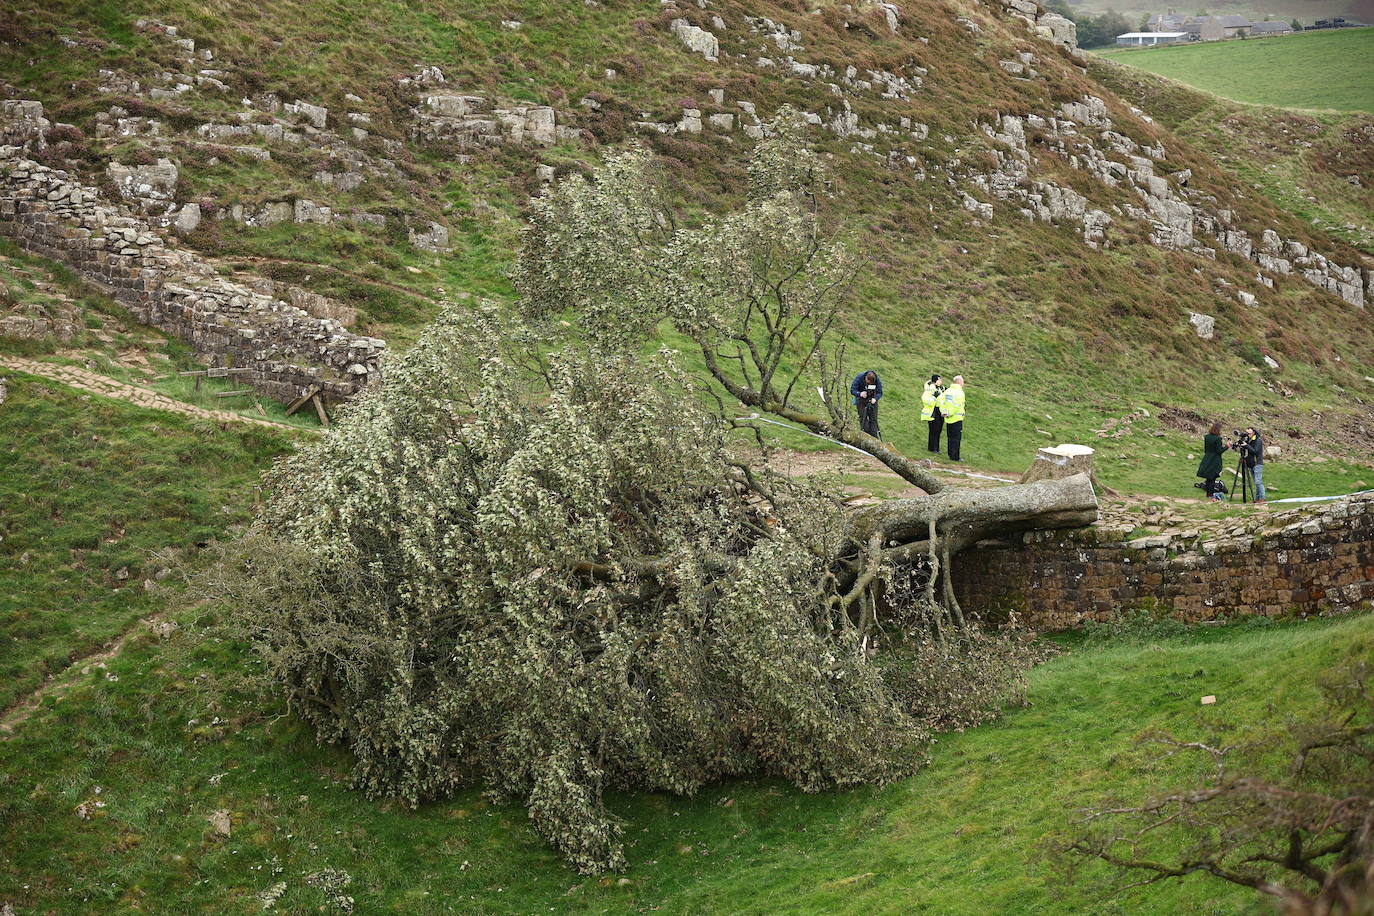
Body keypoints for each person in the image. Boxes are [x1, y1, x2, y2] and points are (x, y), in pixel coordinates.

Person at [1196, 422, 1229, 500]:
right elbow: (1219, 451)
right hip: (1215, 460)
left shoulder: (1207, 437)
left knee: (1208, 478)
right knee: (1212, 478)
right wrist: (1227, 446)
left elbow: (1206, 449)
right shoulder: (1218, 439)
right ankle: (1211, 495)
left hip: (1207, 457)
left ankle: (1208, 494)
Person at [850, 369, 882, 439]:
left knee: (873, 420)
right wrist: (860, 393)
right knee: (863, 419)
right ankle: (865, 437)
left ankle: (874, 439)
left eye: (871, 383)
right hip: (861, 401)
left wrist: (875, 398)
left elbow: (880, 392)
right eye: (868, 382)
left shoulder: (877, 380)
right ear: (865, 378)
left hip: (872, 401)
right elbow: (852, 390)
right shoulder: (859, 377)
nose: (869, 384)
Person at [941, 375, 966, 461]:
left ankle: (950, 454)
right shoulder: (960, 392)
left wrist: (944, 412)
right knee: (956, 438)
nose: (963, 383)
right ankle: (955, 457)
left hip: (948, 418)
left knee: (950, 437)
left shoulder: (948, 391)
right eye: (963, 381)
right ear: (959, 382)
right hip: (956, 418)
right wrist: (950, 413)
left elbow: (942, 402)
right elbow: (957, 405)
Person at [1242, 426, 1266, 504]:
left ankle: (1262, 498)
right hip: (1252, 464)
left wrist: (1246, 445)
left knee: (1258, 481)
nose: (1248, 435)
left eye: (1249, 433)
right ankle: (1258, 498)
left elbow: (1255, 451)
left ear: (1254, 432)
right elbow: (1250, 454)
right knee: (1256, 482)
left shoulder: (1258, 440)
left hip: (1257, 463)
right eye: (1247, 433)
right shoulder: (1250, 440)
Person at [922, 374, 944, 453]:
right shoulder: (930, 389)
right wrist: (934, 398)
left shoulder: (939, 388)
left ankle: (936, 448)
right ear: (935, 381)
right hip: (933, 411)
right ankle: (933, 448)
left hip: (939, 411)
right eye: (939, 380)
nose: (940, 381)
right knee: (934, 430)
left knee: (938, 430)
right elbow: (925, 399)